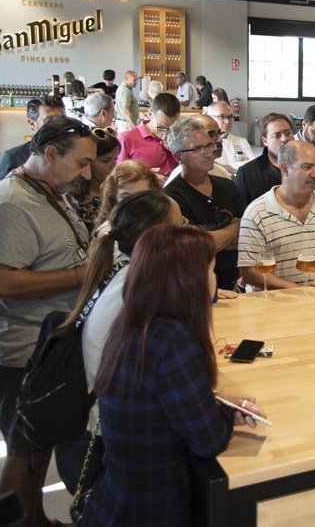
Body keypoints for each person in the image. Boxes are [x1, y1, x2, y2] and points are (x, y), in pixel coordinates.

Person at [83, 225, 258, 526]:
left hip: (114, 500)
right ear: (188, 280)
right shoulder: (173, 340)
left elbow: (162, 399)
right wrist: (228, 413)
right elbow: (209, 440)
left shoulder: (134, 323)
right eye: (212, 270)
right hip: (153, 511)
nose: (215, 279)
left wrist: (212, 400)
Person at [0, 117, 94, 527]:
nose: (87, 173)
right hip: (22, 350)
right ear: (50, 153)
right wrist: (77, 277)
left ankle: (35, 519)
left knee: (39, 448)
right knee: (24, 449)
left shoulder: (51, 189)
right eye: (81, 163)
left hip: (51, 346)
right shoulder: (12, 204)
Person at [53, 190, 187, 494]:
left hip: (87, 424)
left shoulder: (120, 268)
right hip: (100, 437)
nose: (187, 233)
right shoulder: (140, 286)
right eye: (180, 226)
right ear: (159, 236)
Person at [238, 140, 315, 289]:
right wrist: (299, 290)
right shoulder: (257, 212)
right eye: (307, 167)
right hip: (274, 305)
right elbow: (250, 272)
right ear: (285, 169)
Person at [165, 118, 245, 290]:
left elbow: (248, 236)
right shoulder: (172, 198)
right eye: (197, 149)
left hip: (233, 285)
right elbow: (194, 250)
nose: (208, 153)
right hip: (195, 289)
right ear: (178, 156)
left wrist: (214, 241)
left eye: (209, 145)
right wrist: (234, 227)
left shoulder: (227, 185)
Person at [0, 96, 66, 183]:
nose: (58, 125)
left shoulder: (74, 153)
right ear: (32, 123)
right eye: (49, 120)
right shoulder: (14, 157)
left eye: (62, 120)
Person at [235, 112, 294, 205]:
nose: (284, 139)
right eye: (277, 135)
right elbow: (241, 213)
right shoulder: (247, 173)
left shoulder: (309, 165)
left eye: (288, 133)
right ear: (265, 141)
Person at [116, 92, 180, 176]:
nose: (166, 132)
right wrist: (149, 177)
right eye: (161, 127)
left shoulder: (178, 134)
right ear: (150, 114)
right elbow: (120, 175)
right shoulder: (126, 138)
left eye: (171, 127)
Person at [71, 126, 120, 235]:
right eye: (105, 161)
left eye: (115, 159)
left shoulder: (120, 191)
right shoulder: (72, 198)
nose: (113, 166)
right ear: (88, 161)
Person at [165, 114, 235, 184]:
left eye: (219, 133)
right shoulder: (175, 185)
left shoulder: (221, 173)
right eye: (210, 134)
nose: (219, 139)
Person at [94, 161, 163, 231]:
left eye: (142, 196)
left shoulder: (161, 222)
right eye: (126, 197)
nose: (135, 204)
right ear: (114, 197)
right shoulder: (107, 233)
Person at [207, 101, 254, 168]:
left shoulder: (241, 141)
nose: (227, 121)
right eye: (222, 116)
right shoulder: (205, 144)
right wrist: (240, 165)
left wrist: (225, 167)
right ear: (210, 118)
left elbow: (252, 165)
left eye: (230, 117)